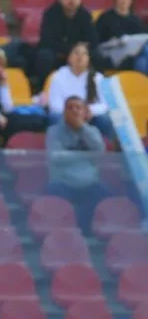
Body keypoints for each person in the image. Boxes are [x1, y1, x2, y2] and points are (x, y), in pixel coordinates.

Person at [45, 96, 112, 233]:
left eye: (78, 107)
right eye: (70, 108)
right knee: (52, 190)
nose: (74, 111)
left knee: (106, 193)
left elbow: (100, 151)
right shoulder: (54, 131)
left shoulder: (92, 131)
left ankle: (85, 232)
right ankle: (62, 233)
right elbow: (55, 156)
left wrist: (82, 127)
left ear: (85, 112)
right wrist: (87, 155)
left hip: (89, 182)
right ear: (64, 112)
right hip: (63, 182)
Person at [34, 0, 99, 92]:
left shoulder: (85, 15)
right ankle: (43, 90)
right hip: (57, 55)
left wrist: (78, 51)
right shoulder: (50, 14)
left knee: (97, 56)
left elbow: (93, 41)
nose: (72, 0)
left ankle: (94, 91)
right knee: (44, 56)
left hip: (78, 54)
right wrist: (72, 49)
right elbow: (47, 41)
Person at [46, 42, 116, 144]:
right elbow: (55, 105)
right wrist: (73, 113)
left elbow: (106, 105)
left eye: (84, 54)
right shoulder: (58, 76)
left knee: (105, 118)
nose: (80, 57)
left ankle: (106, 147)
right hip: (67, 115)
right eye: (76, 53)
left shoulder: (98, 78)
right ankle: (62, 147)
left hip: (90, 115)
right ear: (69, 58)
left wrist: (86, 111)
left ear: (89, 59)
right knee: (55, 117)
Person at [95, 0, 148, 74]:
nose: (124, 0)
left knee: (143, 57)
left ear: (131, 0)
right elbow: (96, 42)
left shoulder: (135, 20)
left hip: (133, 56)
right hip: (113, 54)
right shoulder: (105, 18)